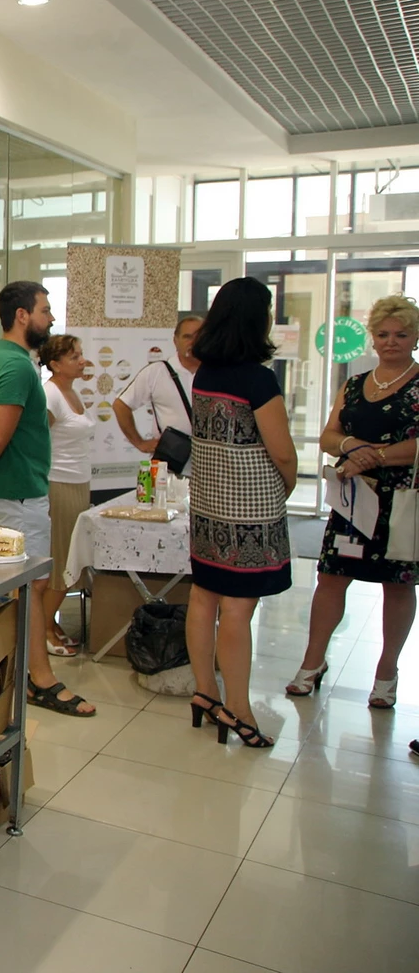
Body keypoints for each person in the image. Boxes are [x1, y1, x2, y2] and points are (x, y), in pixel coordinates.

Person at [0, 283, 95, 718]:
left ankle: (24, 672)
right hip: (17, 493)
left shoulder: (3, 359)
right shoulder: (14, 366)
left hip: (14, 488)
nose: (51, 319)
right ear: (22, 315)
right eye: (45, 310)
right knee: (30, 585)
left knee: (27, 584)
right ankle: (39, 678)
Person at [288, 295, 419, 709]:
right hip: (352, 499)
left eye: (401, 334)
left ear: (415, 337)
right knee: (330, 578)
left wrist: (374, 455)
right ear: (372, 338)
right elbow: (329, 436)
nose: (391, 341)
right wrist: (351, 448)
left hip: (401, 501)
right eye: (383, 334)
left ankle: (386, 671)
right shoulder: (354, 383)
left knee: (397, 586)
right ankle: (312, 662)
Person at [185, 277, 295, 749]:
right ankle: (239, 709)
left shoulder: (205, 373)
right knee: (237, 608)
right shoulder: (258, 379)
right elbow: (282, 452)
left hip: (208, 505)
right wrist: (289, 484)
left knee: (203, 596)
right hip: (249, 510)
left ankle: (205, 693)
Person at [38, 334, 93, 656]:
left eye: (80, 354)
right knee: (62, 560)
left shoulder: (72, 391)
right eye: (74, 356)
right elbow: (36, 440)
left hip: (78, 484)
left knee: (71, 558)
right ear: (55, 364)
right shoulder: (50, 395)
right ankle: (43, 629)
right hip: (58, 485)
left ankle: (50, 622)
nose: (82, 360)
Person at [112, 315, 203, 456]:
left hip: (209, 462)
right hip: (170, 462)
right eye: (187, 337)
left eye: (199, 336)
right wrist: (140, 443)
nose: (193, 342)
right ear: (175, 341)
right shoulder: (156, 372)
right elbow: (121, 405)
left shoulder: (217, 373)